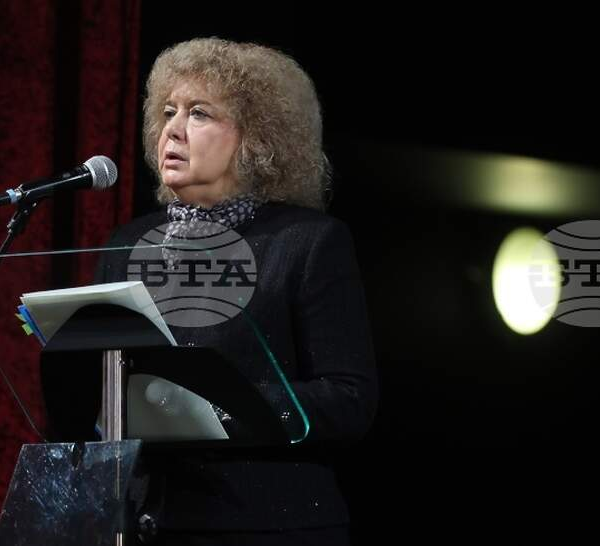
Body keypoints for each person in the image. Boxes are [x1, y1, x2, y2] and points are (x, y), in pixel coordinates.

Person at [49, 37, 378, 545]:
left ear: (257, 138)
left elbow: (348, 400)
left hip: (266, 526)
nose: (173, 130)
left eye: (199, 113)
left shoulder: (306, 242)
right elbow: (99, 395)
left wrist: (215, 410)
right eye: (167, 112)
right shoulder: (128, 243)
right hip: (144, 525)